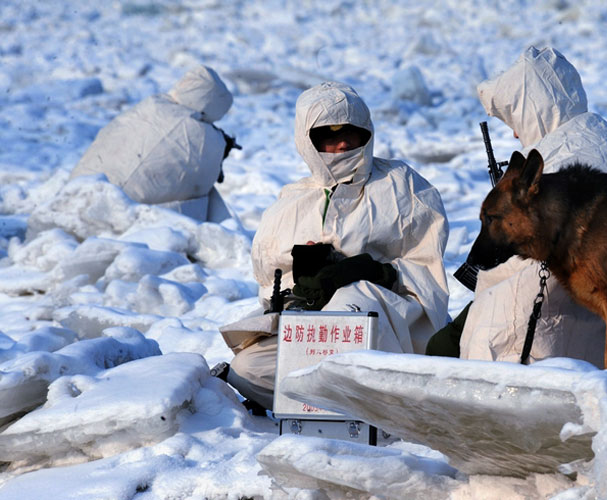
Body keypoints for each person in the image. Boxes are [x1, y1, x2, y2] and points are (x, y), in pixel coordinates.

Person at [427, 46, 607, 368]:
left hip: (587, 348)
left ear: (532, 111)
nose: (514, 133)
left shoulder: (556, 169)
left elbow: (517, 276)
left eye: (515, 120)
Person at [224, 81, 449, 410]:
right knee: (248, 369)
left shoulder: (401, 186)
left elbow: (428, 271)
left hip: (386, 323)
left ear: (366, 133)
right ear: (308, 141)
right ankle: (341, 407)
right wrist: (304, 285)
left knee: (350, 303)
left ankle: (372, 404)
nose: (342, 144)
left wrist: (375, 272)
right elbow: (270, 284)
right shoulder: (290, 205)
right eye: (328, 137)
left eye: (350, 133)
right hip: (311, 329)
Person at [70, 65, 240, 223]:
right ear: (213, 106)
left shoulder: (153, 104)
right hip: (118, 214)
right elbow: (198, 188)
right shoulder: (204, 137)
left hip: (76, 190)